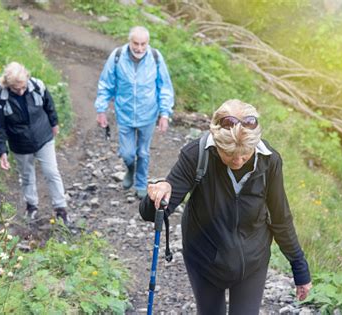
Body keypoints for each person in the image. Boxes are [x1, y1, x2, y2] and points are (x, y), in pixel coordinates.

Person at [140, 99, 312, 314]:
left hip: (252, 260)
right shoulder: (196, 155)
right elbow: (152, 213)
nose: (238, 160)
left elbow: (280, 218)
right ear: (216, 140)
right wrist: (157, 193)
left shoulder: (270, 161)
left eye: (245, 153)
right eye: (229, 154)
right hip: (204, 258)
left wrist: (299, 268)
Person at [94, 26, 174, 199]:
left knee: (143, 152)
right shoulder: (117, 57)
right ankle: (130, 169)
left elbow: (165, 87)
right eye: (136, 43)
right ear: (129, 41)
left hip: (148, 115)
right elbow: (105, 84)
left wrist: (165, 114)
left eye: (143, 44)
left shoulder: (155, 58)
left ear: (148, 43)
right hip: (125, 114)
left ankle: (140, 183)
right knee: (128, 153)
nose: (139, 48)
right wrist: (101, 110)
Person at [0, 62, 69, 223]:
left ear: (27, 79)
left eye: (23, 87)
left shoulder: (37, 86)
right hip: (20, 144)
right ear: (7, 85)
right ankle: (31, 206)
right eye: (15, 89)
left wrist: (54, 124)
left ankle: (61, 210)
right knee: (26, 177)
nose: (20, 91)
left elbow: (49, 106)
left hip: (43, 137)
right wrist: (2, 151)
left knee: (51, 172)